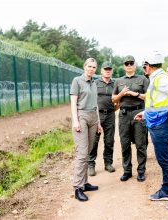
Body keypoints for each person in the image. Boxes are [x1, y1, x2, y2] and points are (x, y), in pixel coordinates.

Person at [135, 51, 168, 210]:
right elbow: (155, 102)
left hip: (163, 124)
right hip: (158, 121)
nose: (144, 68)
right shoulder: (156, 78)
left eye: (144, 65)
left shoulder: (160, 78)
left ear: (148, 66)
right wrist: (144, 113)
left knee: (164, 160)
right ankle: (166, 189)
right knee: (164, 158)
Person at [112, 55, 148, 182]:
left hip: (139, 113)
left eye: (131, 63)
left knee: (140, 144)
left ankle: (141, 171)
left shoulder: (142, 79)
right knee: (125, 144)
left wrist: (135, 94)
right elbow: (113, 99)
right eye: (126, 64)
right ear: (124, 66)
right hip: (124, 115)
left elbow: (149, 97)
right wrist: (122, 93)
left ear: (134, 64)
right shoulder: (118, 81)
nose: (129, 66)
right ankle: (127, 171)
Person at [70, 58, 102, 202]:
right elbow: (73, 103)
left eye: (94, 67)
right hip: (81, 116)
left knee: (88, 151)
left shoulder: (94, 83)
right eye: (89, 66)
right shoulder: (77, 81)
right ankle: (78, 188)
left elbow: (96, 104)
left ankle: (85, 183)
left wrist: (99, 123)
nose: (91, 69)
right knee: (82, 153)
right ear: (84, 67)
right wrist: (76, 120)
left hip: (93, 117)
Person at [88, 61, 116, 176]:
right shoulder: (94, 83)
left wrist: (115, 109)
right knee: (94, 140)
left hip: (110, 114)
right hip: (97, 115)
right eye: (106, 69)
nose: (108, 71)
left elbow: (118, 99)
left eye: (109, 69)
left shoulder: (115, 84)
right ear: (101, 71)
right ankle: (91, 164)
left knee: (109, 141)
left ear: (112, 71)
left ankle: (108, 163)